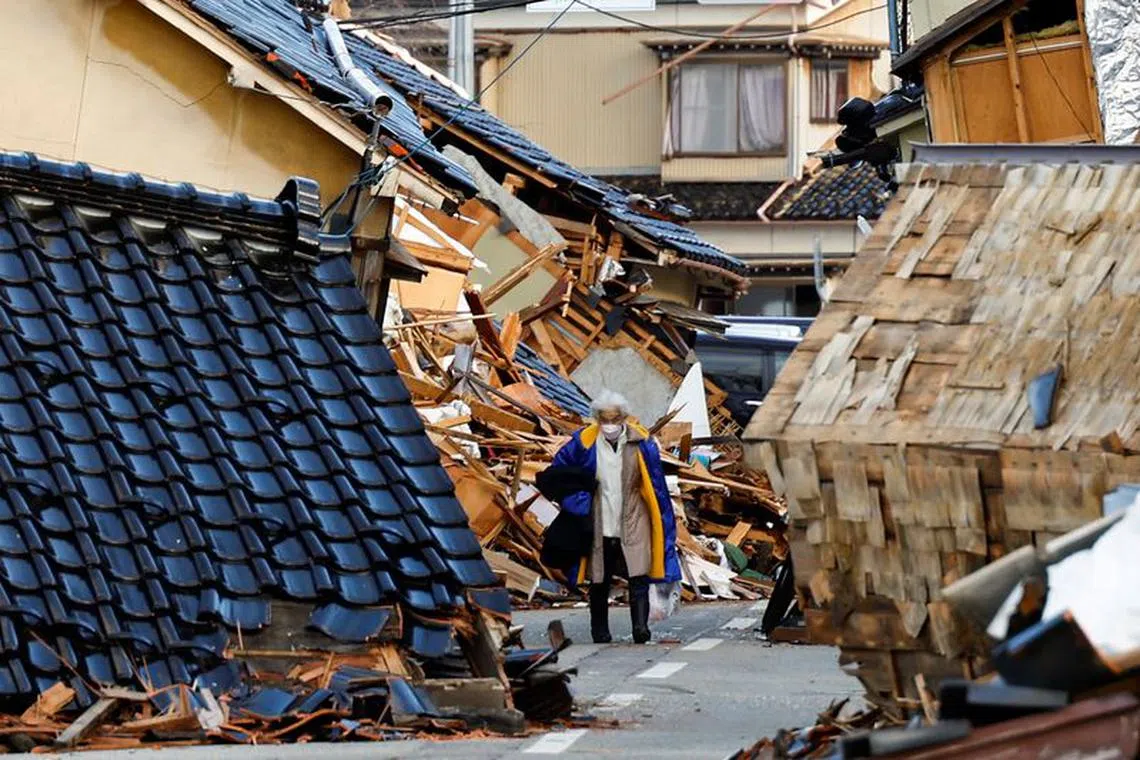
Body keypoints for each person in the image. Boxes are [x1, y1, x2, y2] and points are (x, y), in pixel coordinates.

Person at [547, 390, 680, 644]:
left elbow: (656, 483)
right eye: (604, 419)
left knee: (638, 573)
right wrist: (576, 502)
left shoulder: (641, 443)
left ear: (623, 418)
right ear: (597, 419)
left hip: (634, 513)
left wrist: (663, 518)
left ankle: (640, 627)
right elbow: (559, 472)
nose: (609, 425)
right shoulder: (584, 442)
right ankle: (599, 630)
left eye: (614, 419)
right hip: (599, 516)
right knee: (600, 576)